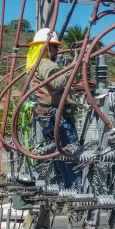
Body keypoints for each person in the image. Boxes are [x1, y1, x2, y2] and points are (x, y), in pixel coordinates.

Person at [26, 28, 82, 188]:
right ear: (46, 47)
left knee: (61, 155)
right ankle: (77, 191)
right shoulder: (44, 63)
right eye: (55, 47)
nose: (58, 50)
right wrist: (75, 64)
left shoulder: (35, 63)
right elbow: (56, 82)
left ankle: (68, 189)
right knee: (71, 154)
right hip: (59, 118)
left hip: (51, 117)